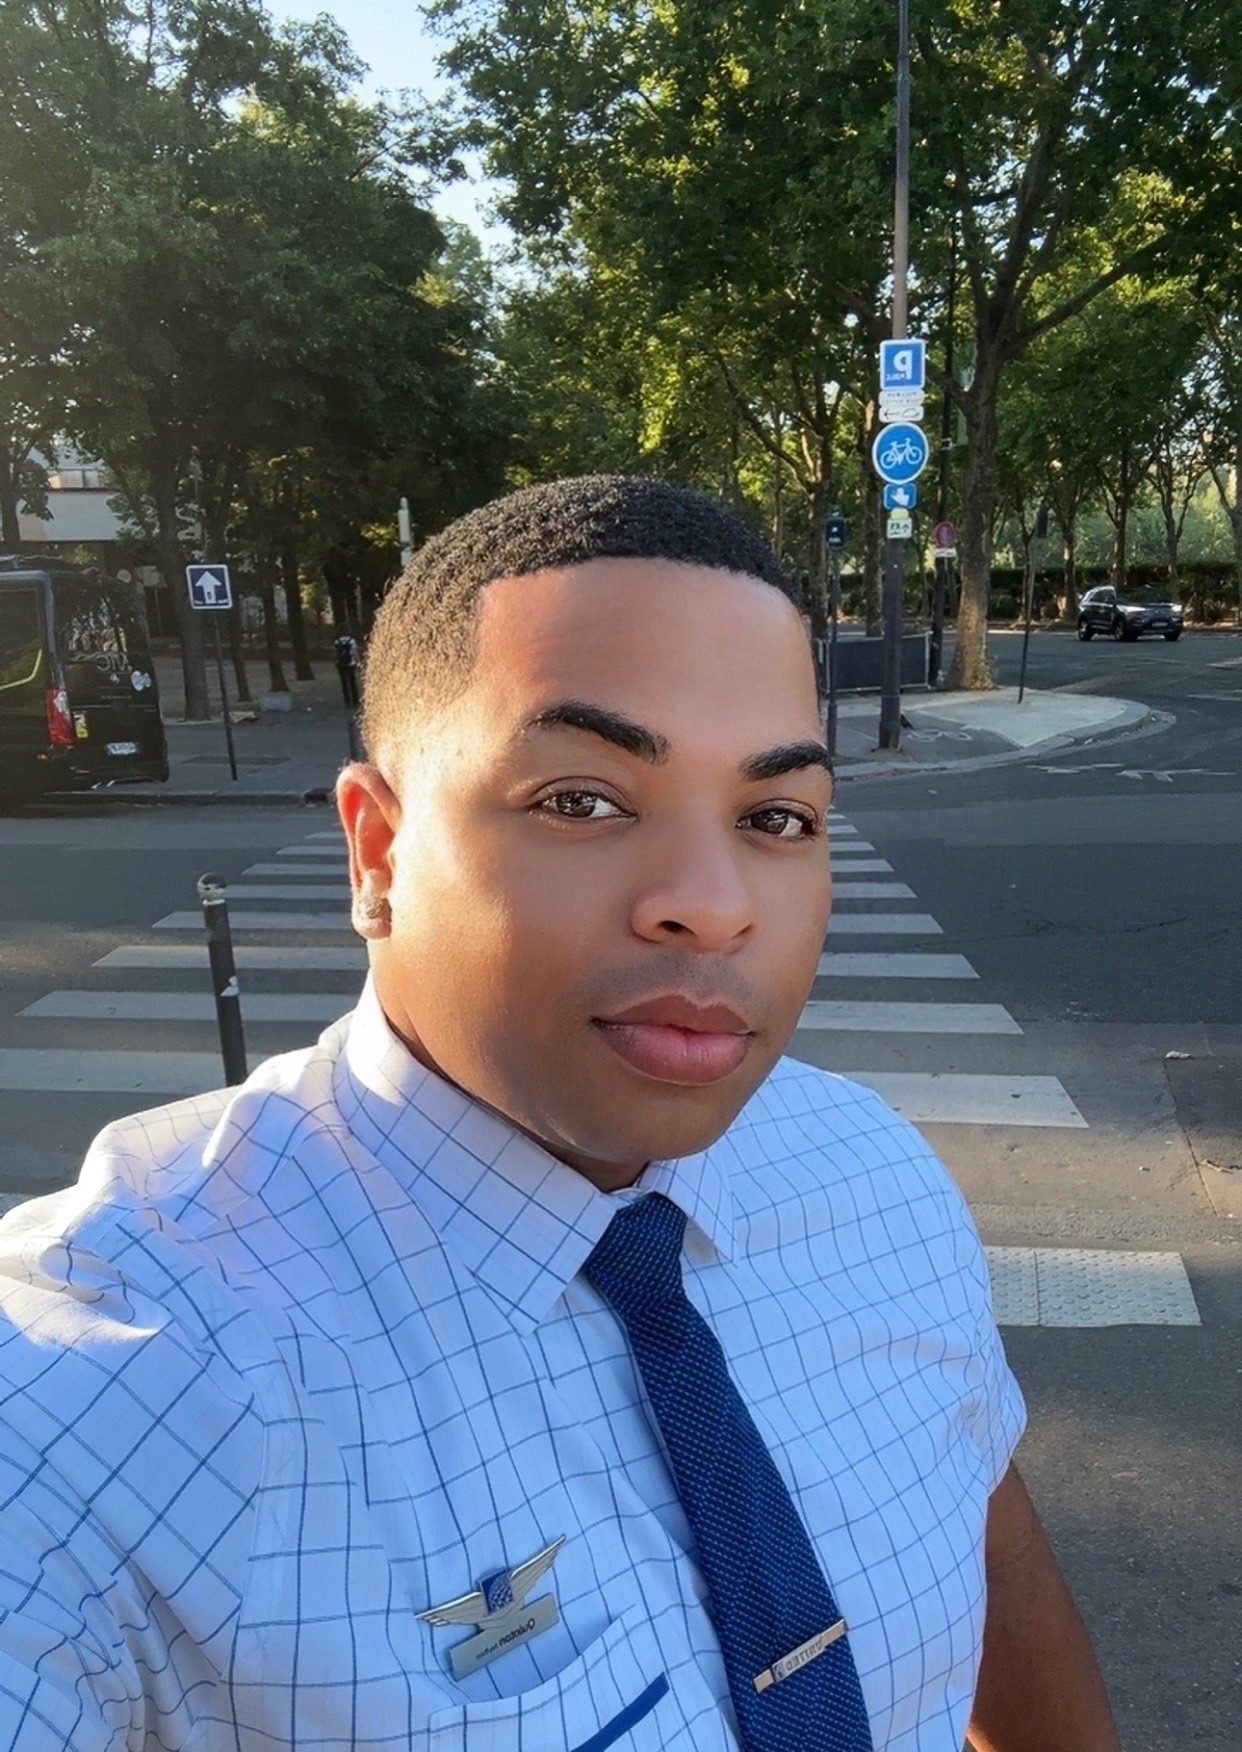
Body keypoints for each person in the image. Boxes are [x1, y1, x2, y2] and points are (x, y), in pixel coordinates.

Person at [0, 476, 1119, 1751]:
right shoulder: (103, 1393)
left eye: (775, 817)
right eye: (580, 800)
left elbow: (994, 1574)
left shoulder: (876, 1179)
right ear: (377, 852)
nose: (712, 905)